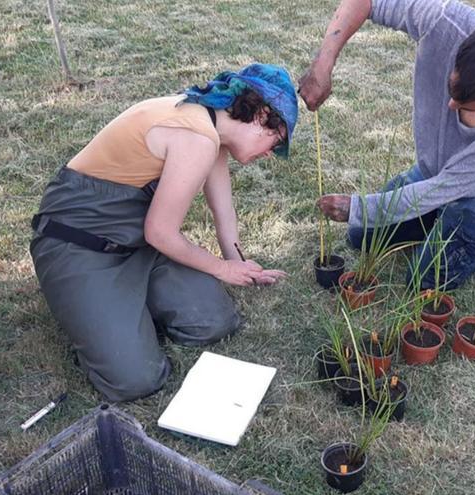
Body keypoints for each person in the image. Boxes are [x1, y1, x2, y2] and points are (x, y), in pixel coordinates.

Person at [30, 63, 297, 402]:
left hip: (136, 246)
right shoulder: (196, 135)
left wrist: (238, 261)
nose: (271, 153)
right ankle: (93, 310)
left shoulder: (211, 130)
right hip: (77, 246)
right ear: (260, 115)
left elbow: (222, 209)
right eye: (277, 140)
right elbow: (160, 232)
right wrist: (222, 269)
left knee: (215, 320)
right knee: (136, 379)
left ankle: (124, 309)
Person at [300, 0, 475, 289]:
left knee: (424, 280)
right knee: (360, 237)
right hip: (434, 171)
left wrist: (358, 207)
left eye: (467, 105)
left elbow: (440, 189)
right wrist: (323, 64)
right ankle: (439, 222)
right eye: (452, 91)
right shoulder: (445, 21)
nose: (451, 105)